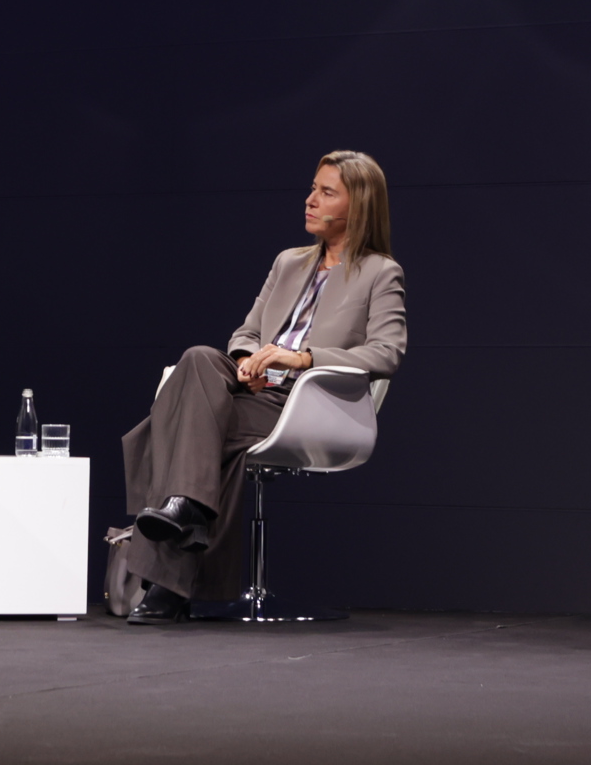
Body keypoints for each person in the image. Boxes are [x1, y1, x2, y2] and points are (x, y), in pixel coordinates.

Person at [120, 150, 407, 623]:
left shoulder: (380, 272)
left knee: (184, 423)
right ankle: (184, 512)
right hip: (251, 390)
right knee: (199, 357)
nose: (310, 200)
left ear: (358, 206)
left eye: (326, 192)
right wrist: (244, 363)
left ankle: (171, 574)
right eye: (313, 188)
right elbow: (247, 332)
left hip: (305, 402)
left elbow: (386, 353)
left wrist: (304, 358)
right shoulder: (288, 262)